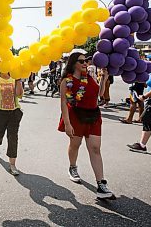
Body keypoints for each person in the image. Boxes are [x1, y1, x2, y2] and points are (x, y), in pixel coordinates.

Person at [58, 52, 114, 199]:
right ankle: (73, 167)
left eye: (86, 61)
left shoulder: (89, 77)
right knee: (75, 145)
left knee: (95, 148)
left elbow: (99, 94)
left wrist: (104, 79)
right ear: (73, 63)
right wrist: (68, 124)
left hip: (94, 115)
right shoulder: (66, 81)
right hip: (76, 115)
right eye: (81, 61)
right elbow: (64, 102)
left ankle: (101, 184)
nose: (85, 63)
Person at [0, 70, 24, 175]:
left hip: (14, 112)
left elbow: (19, 94)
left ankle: (12, 165)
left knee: (13, 137)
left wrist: (18, 80)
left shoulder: (14, 78)